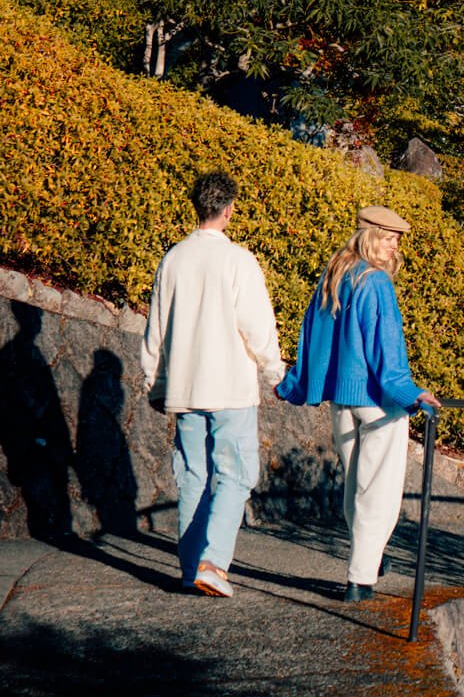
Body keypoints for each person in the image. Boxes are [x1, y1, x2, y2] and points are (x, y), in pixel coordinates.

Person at [276, 205, 439, 602]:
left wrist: (295, 386)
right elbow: (386, 350)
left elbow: (310, 337)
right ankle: (361, 578)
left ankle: (368, 559)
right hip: (378, 403)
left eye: (395, 241)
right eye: (386, 239)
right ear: (369, 236)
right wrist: (410, 393)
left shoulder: (333, 276)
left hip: (341, 401)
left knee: (355, 488)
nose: (392, 247)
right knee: (377, 492)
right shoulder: (375, 282)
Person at [142, 170, 284, 598]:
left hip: (185, 387)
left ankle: (190, 570)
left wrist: (155, 380)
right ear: (229, 209)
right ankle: (213, 563)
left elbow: (156, 329)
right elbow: (257, 328)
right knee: (236, 475)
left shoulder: (174, 259)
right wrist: (274, 370)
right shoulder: (239, 261)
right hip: (230, 388)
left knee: (192, 478)